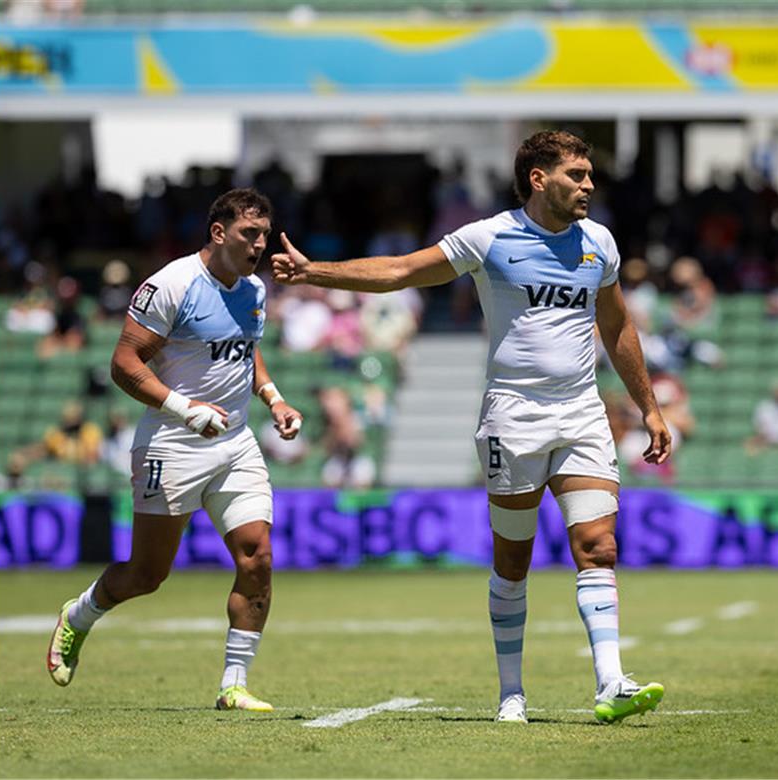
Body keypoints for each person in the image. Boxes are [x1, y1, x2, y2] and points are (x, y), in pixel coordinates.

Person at [272, 130, 672, 726]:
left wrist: (649, 405)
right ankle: (512, 692)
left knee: (600, 547)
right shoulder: (489, 237)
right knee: (514, 561)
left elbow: (617, 327)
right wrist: (315, 273)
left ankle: (611, 681)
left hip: (582, 411)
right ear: (539, 179)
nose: (589, 185)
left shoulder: (600, 244)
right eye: (577, 175)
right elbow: (402, 271)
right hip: (513, 415)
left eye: (589, 175)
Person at [45, 189, 304, 713]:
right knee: (147, 574)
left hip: (235, 442)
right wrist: (185, 408)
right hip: (172, 442)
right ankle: (79, 616)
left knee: (258, 557)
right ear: (218, 233)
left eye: (263, 233)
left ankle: (234, 684)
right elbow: (124, 363)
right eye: (247, 234)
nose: (258, 244)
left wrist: (273, 398)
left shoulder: (254, 289)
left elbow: (244, 352)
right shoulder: (173, 284)